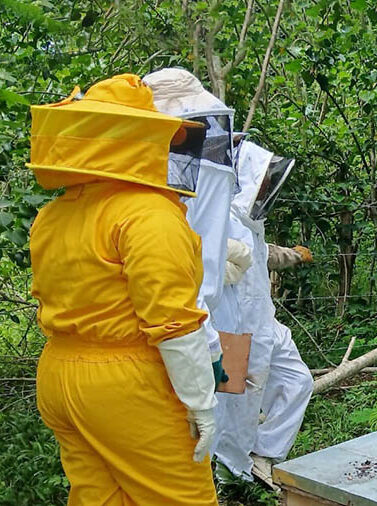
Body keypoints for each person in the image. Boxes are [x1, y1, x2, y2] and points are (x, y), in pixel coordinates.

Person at [27, 74, 219, 504]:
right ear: (141, 142)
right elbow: (172, 322)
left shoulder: (54, 214)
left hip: (59, 375)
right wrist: (201, 401)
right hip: (126, 385)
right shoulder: (149, 215)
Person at [213, 139, 314, 486]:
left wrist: (293, 255)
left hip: (265, 322)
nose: (267, 186)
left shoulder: (250, 219)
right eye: (263, 178)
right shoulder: (220, 218)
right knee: (236, 402)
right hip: (234, 326)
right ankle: (230, 474)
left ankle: (262, 454)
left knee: (298, 381)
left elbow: (261, 253)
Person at [144, 67, 238, 385]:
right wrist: (209, 347)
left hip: (207, 319)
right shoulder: (150, 200)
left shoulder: (203, 176)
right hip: (183, 331)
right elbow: (172, 277)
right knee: (207, 407)